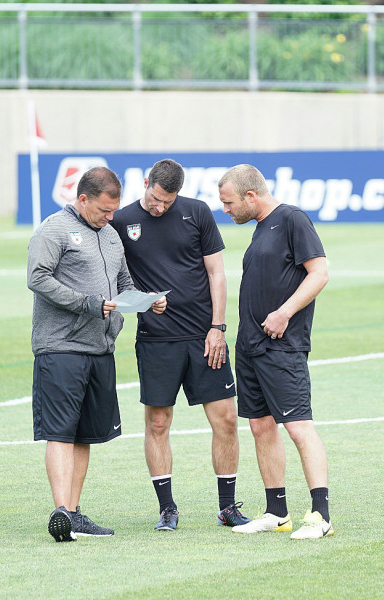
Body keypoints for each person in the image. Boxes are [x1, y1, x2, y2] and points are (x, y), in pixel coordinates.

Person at [27, 166, 166, 542]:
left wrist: (143, 300)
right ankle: (60, 511)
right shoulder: (52, 230)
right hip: (61, 348)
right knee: (60, 432)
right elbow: (37, 278)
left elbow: (122, 282)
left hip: (101, 348)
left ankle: (72, 512)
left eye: (113, 212)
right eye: (104, 211)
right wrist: (85, 304)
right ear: (83, 198)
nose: (109, 218)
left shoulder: (111, 235)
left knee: (86, 435)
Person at [110, 158, 250, 531]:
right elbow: (114, 278)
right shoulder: (122, 222)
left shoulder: (197, 213)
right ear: (145, 183)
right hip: (156, 340)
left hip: (205, 337)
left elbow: (216, 273)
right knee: (158, 422)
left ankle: (227, 508)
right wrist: (138, 299)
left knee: (227, 419)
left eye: (168, 203)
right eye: (156, 199)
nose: (160, 207)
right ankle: (167, 508)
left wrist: (218, 327)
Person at [218, 164, 333, 540]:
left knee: (298, 426)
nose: (226, 209)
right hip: (250, 347)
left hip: (282, 347)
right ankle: (276, 511)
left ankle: (321, 515)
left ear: (251, 196)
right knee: (260, 426)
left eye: (229, 202)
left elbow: (319, 273)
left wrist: (284, 312)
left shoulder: (292, 219)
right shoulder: (260, 229)